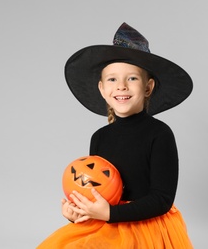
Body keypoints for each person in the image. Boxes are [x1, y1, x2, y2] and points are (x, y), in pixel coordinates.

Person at [37, 23, 193, 248]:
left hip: (146, 226)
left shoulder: (159, 134)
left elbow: (162, 199)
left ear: (148, 87)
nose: (121, 86)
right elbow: (99, 189)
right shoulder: (99, 137)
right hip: (109, 222)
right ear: (102, 88)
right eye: (112, 79)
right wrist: (80, 211)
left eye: (132, 79)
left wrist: (109, 212)